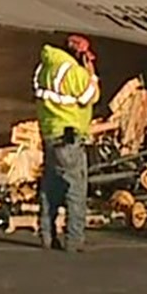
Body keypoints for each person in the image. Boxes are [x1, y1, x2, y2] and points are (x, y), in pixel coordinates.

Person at [32, 33, 99, 251]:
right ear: (79, 53)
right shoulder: (73, 71)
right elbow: (91, 96)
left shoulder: (44, 68)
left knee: (50, 186)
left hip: (50, 133)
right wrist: (91, 72)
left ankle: (46, 235)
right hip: (69, 136)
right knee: (75, 188)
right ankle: (74, 239)